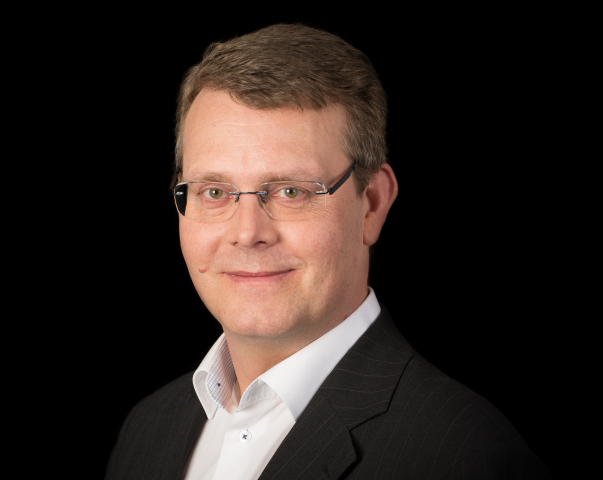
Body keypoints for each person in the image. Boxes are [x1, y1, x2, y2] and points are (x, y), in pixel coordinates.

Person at [105, 23, 550, 479]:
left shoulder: (465, 457)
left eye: (291, 192)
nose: (247, 233)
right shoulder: (147, 430)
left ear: (372, 204)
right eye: (214, 192)